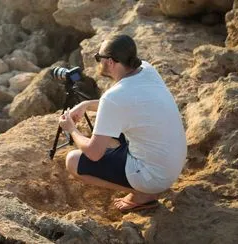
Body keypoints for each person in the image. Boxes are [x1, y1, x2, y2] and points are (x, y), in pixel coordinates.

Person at [58, 34, 187, 212]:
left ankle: (143, 193)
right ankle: (144, 185)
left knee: (72, 161)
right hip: (172, 164)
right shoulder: (147, 70)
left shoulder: (115, 97)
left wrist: (71, 129)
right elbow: (125, 105)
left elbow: (94, 154)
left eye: (98, 58)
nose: (98, 62)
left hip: (155, 177)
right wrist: (86, 105)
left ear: (110, 62)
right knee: (112, 129)